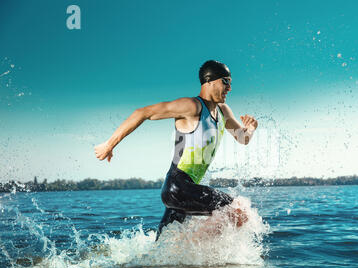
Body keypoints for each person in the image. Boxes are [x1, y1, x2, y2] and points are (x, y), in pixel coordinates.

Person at [94, 60, 258, 240]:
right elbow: (143, 112)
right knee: (238, 211)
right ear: (209, 81)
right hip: (178, 187)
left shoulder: (223, 112)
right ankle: (199, 249)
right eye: (225, 81)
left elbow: (242, 138)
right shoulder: (191, 106)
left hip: (184, 191)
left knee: (163, 250)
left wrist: (250, 127)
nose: (230, 88)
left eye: (231, 83)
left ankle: (181, 257)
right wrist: (109, 144)